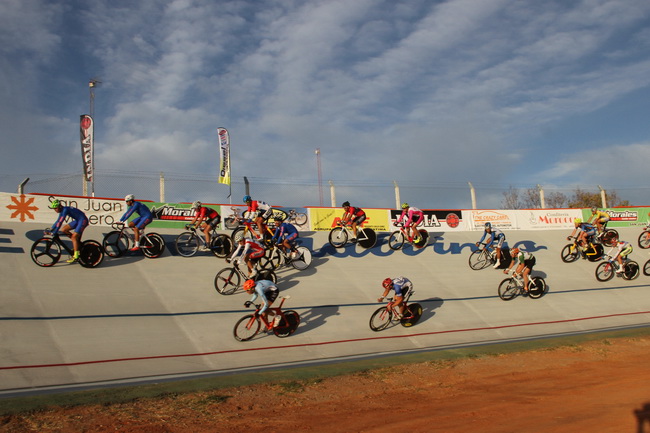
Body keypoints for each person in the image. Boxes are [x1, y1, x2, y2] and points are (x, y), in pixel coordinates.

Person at [48, 199, 89, 263]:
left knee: (74, 237)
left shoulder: (65, 210)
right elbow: (58, 221)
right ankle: (76, 243)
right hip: (78, 220)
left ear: (60, 206)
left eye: (56, 208)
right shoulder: (62, 210)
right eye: (54, 209)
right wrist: (51, 229)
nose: (55, 210)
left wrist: (55, 232)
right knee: (64, 229)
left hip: (83, 220)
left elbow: (60, 222)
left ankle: (76, 256)